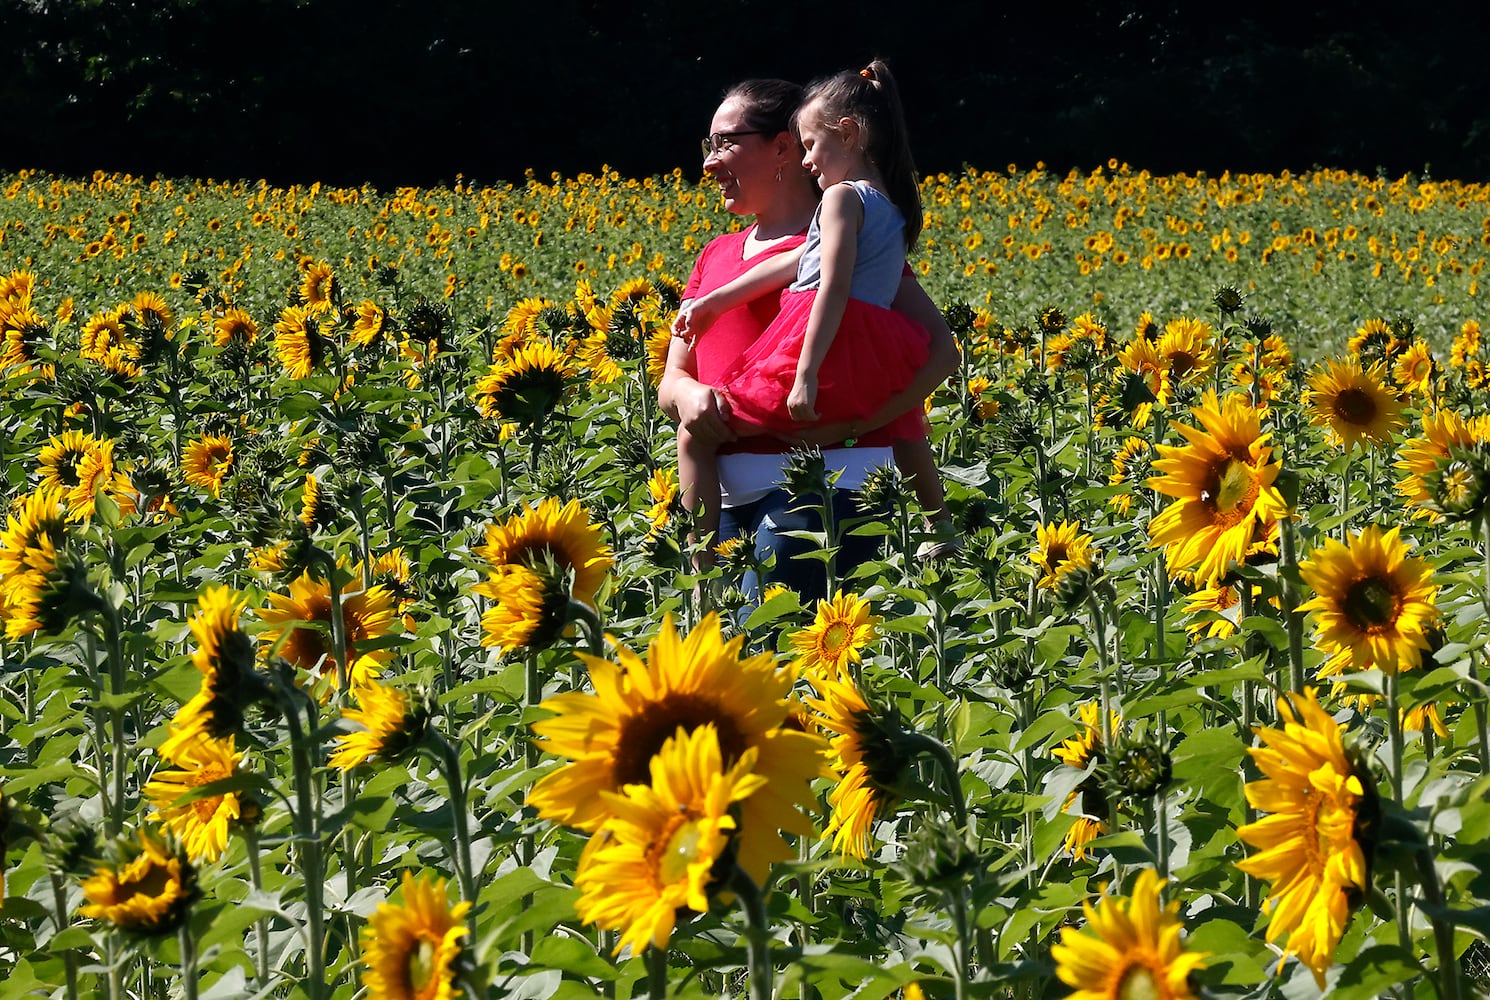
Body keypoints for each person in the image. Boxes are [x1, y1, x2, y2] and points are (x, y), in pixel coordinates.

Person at [659, 75, 959, 603]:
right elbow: (674, 379)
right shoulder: (715, 256)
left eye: (726, 142)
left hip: (825, 490)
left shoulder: (849, 242)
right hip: (726, 503)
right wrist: (690, 398)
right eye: (708, 144)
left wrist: (866, 421)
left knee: (774, 650)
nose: (709, 162)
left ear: (783, 146)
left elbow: (930, 353)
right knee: (728, 659)